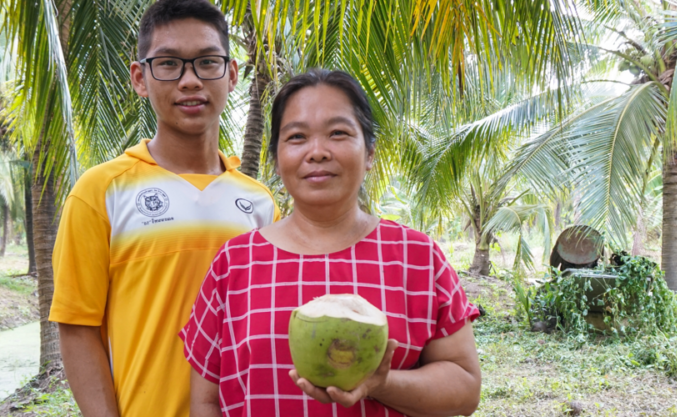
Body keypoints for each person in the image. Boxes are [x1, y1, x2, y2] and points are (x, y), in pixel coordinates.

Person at [179, 69, 482, 417]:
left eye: (338, 133)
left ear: (370, 154)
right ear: (276, 159)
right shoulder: (235, 262)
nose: (317, 152)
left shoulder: (417, 258)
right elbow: (206, 401)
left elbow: (464, 388)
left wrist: (380, 384)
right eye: (296, 137)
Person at [49, 1, 277, 416]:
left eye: (207, 62)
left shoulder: (260, 202)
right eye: (169, 64)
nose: (190, 81)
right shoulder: (100, 191)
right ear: (140, 78)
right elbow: (77, 327)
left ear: (231, 74)